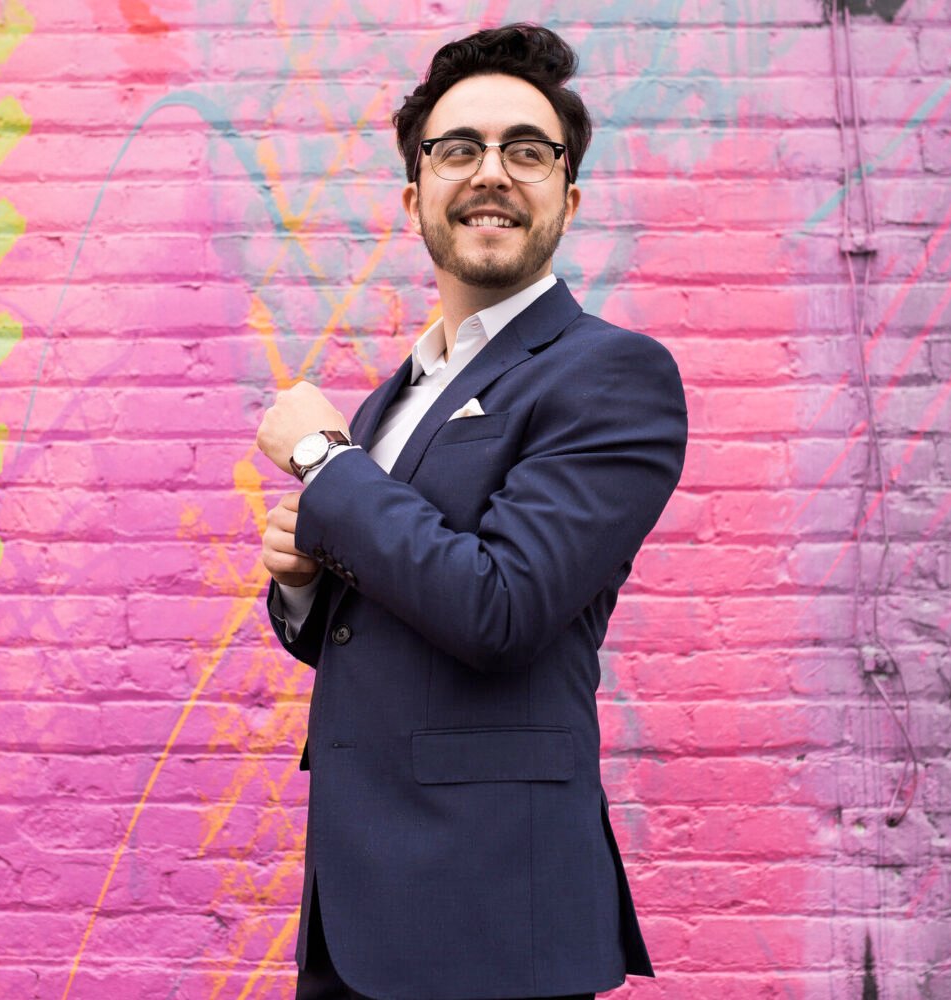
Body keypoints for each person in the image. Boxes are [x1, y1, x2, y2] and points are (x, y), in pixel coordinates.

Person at [254, 23, 687, 1000]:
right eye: (458, 148)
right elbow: (376, 626)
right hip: (357, 909)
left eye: (525, 150)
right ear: (414, 196)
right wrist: (302, 587)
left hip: (490, 920)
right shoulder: (396, 396)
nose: (491, 172)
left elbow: (500, 609)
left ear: (567, 198)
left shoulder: (612, 374)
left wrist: (325, 465)